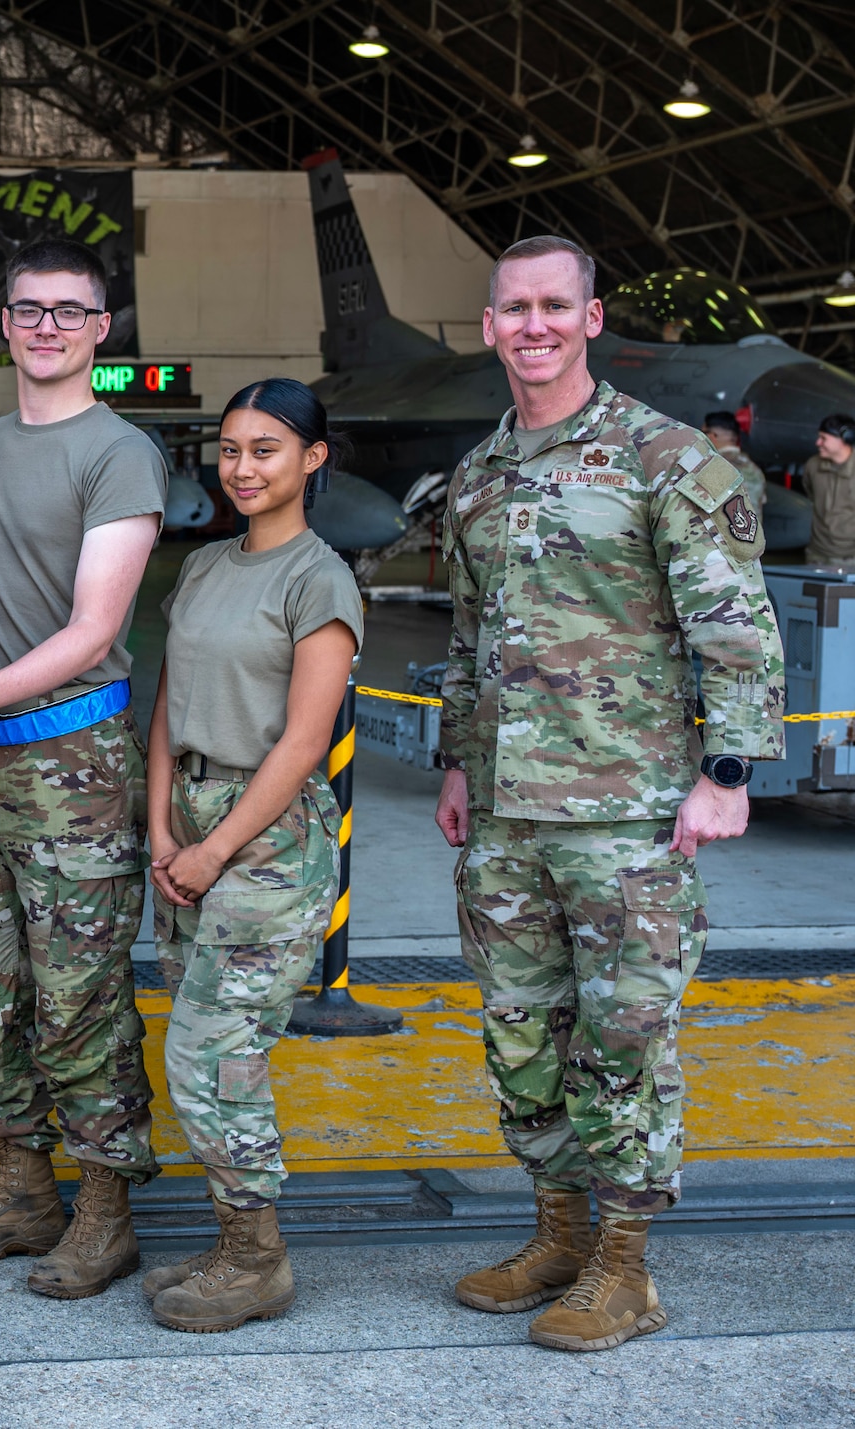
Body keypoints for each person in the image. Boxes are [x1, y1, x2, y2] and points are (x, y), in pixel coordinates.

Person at [436, 236, 784, 1353]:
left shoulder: (664, 458)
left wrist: (724, 772)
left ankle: (624, 1267)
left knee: (623, 1037)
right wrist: (453, 757)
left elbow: (732, 625)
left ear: (589, 319)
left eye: (552, 305)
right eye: (510, 308)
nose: (530, 325)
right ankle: (555, 1232)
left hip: (626, 812)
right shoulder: (474, 475)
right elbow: (463, 634)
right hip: (502, 813)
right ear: (487, 326)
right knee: (520, 1032)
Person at [0, 236, 165, 1300]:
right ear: (0, 325)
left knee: (79, 995)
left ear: (101, 331)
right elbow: (18, 569)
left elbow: (91, 628)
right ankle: (22, 1189)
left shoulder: (119, 452)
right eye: (25, 309)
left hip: (70, 760)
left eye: (68, 310)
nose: (44, 325)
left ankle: (104, 1211)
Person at [139, 378, 361, 1333]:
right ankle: (235, 1232)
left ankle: (257, 1256)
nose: (243, 468)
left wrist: (217, 847)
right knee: (205, 1041)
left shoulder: (320, 579)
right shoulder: (205, 567)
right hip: (187, 817)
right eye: (230, 449)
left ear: (312, 459)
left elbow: (306, 740)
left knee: (210, 1047)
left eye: (266, 449)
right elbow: (166, 702)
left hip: (265, 834)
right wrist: (160, 826)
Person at [801, 413, 855, 567]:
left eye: (824, 438)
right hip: (817, 555)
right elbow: (810, 492)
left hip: (851, 558)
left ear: (846, 439)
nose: (818, 443)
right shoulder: (813, 466)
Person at [700, 411, 765, 520]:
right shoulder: (755, 470)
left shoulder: (713, 466)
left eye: (703, 433)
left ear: (712, 436)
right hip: (753, 534)